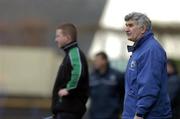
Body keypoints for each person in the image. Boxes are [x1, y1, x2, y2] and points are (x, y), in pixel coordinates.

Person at [122, 12, 172, 119]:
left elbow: (149, 85)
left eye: (130, 25)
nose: (126, 29)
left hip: (148, 115)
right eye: (126, 25)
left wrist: (139, 113)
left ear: (143, 29)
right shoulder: (141, 49)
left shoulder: (151, 50)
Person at [51, 23, 89, 119]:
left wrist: (69, 89)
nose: (55, 40)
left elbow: (78, 71)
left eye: (58, 36)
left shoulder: (74, 53)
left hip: (69, 111)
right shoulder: (70, 54)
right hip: (65, 111)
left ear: (67, 38)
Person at [89, 52, 124, 119]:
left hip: (112, 115)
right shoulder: (92, 76)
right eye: (95, 61)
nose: (95, 62)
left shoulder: (117, 75)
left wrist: (121, 110)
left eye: (97, 60)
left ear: (105, 61)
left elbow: (123, 94)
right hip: (94, 115)